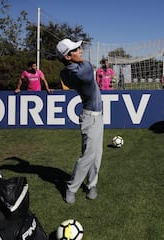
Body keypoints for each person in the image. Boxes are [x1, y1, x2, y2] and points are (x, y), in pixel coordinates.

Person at [56, 38, 104, 204]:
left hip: (95, 116)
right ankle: (71, 188)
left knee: (96, 155)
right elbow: (85, 64)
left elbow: (64, 72)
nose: (81, 51)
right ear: (68, 57)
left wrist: (67, 59)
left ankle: (92, 185)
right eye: (76, 50)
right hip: (90, 117)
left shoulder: (66, 72)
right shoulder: (85, 69)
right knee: (88, 156)